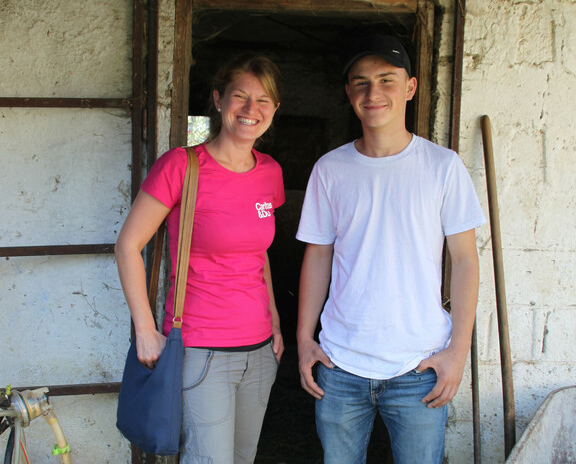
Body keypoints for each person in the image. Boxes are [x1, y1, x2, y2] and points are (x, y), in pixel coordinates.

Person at [296, 34, 486, 464]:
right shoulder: (330, 169)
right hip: (340, 365)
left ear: (411, 88)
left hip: (419, 367)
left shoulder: (443, 166)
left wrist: (457, 352)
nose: (373, 93)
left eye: (386, 79)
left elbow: (465, 261)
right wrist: (304, 339)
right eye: (361, 82)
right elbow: (318, 257)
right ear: (349, 93)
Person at [115, 53, 285, 463]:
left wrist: (276, 324)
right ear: (218, 99)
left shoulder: (270, 173)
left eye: (263, 100)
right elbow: (127, 245)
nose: (251, 110)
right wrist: (144, 328)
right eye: (240, 96)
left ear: (275, 109)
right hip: (201, 350)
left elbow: (258, 254)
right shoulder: (182, 166)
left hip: (260, 352)